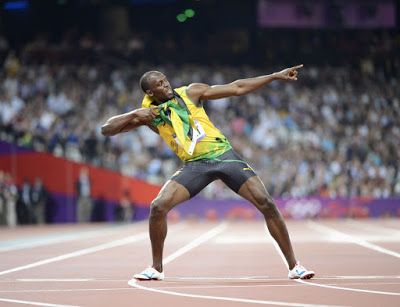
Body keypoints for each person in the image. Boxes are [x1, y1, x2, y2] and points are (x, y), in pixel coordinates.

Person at [101, 65, 315, 281]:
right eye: (159, 85)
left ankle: (294, 266)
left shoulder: (191, 92)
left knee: (266, 202)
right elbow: (106, 129)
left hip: (224, 156)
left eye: (166, 81)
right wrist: (136, 113)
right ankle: (156, 268)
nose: (166, 85)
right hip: (196, 164)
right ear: (149, 93)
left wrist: (274, 76)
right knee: (158, 207)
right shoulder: (150, 115)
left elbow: (237, 88)